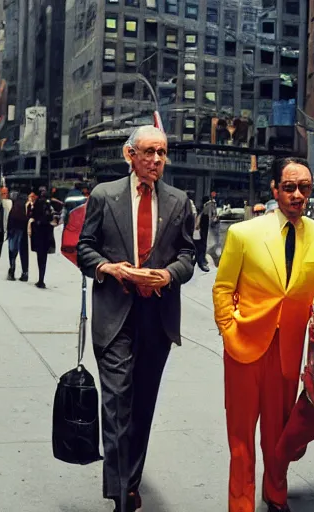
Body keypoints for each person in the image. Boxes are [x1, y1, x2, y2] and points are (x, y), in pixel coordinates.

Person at [212, 157, 314, 512]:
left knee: (277, 435)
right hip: (242, 349)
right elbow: (223, 287)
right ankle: (240, 504)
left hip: (288, 352)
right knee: (240, 438)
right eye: (289, 187)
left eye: (304, 187)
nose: (297, 195)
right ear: (274, 190)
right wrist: (228, 329)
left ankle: (276, 496)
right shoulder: (243, 234)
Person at [77, 125, 196, 512]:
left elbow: (188, 255)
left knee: (142, 406)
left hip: (157, 319)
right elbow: (85, 249)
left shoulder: (179, 201)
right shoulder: (104, 196)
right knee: (115, 404)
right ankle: (119, 494)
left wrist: (169, 274)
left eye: (162, 153)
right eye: (149, 152)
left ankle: (130, 481)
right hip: (115, 317)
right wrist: (110, 269)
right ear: (130, 155)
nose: (157, 160)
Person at [28, 188, 55, 289]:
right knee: (44, 258)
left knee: (40, 257)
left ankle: (40, 279)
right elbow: (51, 217)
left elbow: (32, 214)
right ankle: (41, 279)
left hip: (39, 232)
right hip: (46, 233)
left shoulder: (37, 204)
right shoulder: (48, 204)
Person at [6, 190, 30, 281]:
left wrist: (9, 230)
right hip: (23, 230)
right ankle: (25, 273)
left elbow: (11, 218)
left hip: (14, 230)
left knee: (12, 251)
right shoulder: (26, 205)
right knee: (23, 252)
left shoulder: (15, 205)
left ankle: (12, 271)